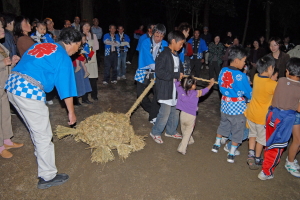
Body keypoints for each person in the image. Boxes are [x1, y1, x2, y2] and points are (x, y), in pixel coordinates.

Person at [4, 27, 81, 189]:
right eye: (78, 45)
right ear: (71, 43)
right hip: (28, 90)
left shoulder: (41, 45)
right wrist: (71, 113)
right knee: (44, 135)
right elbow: (66, 88)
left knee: (36, 130)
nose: (78, 50)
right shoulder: (63, 57)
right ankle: (47, 176)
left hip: (12, 85)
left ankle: (41, 155)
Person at [258, 58, 300, 180]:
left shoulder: (281, 80)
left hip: (271, 115)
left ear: (287, 71)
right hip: (284, 120)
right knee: (277, 147)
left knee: (269, 142)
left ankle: (265, 164)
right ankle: (266, 172)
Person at [211, 45, 252, 163]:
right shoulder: (241, 76)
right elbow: (248, 93)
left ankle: (216, 144)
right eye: (244, 61)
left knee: (224, 124)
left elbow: (220, 85)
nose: (244, 64)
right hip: (237, 108)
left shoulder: (223, 70)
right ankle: (232, 152)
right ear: (237, 60)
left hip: (224, 104)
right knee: (238, 128)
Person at [149, 30, 185, 144]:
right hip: (165, 89)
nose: (181, 46)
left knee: (175, 112)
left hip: (175, 89)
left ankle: (171, 130)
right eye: (180, 43)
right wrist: (175, 75)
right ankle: (155, 132)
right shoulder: (163, 55)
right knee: (164, 113)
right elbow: (159, 72)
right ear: (173, 41)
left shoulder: (176, 55)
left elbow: (179, 69)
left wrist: (182, 75)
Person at [244, 55, 277, 170]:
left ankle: (251, 154)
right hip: (262, 117)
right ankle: (257, 158)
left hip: (251, 113)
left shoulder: (256, 77)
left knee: (252, 134)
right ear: (269, 68)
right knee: (261, 139)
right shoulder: (273, 84)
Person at [134, 24, 168, 124]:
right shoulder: (145, 42)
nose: (159, 39)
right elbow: (147, 58)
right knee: (140, 94)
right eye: (157, 36)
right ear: (153, 33)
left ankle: (153, 116)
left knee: (157, 95)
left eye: (162, 36)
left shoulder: (165, 44)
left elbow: (166, 59)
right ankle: (153, 110)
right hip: (144, 71)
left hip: (158, 73)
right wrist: (157, 68)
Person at [0, 20, 22, 159]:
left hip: (3, 85)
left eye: (2, 26)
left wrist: (12, 62)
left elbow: (5, 65)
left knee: (5, 113)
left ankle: (7, 140)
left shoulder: (1, 46)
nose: (2, 29)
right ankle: (0, 147)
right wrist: (2, 63)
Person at [176, 76, 214, 154]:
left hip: (182, 114)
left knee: (184, 129)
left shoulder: (180, 89)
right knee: (188, 132)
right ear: (192, 85)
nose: (195, 85)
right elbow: (205, 91)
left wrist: (180, 78)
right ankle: (182, 148)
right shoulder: (195, 93)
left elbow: (176, 83)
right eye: (194, 83)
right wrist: (211, 84)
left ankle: (190, 140)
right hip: (191, 116)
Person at [81, 20, 99, 102]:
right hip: (83, 60)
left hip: (92, 59)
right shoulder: (79, 36)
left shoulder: (93, 35)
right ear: (82, 27)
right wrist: (84, 56)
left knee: (93, 79)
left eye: (88, 26)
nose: (87, 27)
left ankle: (94, 95)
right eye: (85, 26)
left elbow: (97, 47)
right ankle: (85, 98)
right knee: (85, 79)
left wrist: (89, 52)